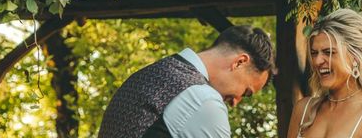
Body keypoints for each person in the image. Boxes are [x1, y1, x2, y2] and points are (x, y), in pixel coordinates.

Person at [98, 24, 275, 138]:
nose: (236, 102)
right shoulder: (204, 100)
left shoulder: (147, 75)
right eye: (246, 92)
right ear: (240, 62)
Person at [287, 8, 362, 138]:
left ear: (355, 56)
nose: (317, 61)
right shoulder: (303, 109)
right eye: (314, 53)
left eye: (329, 52)